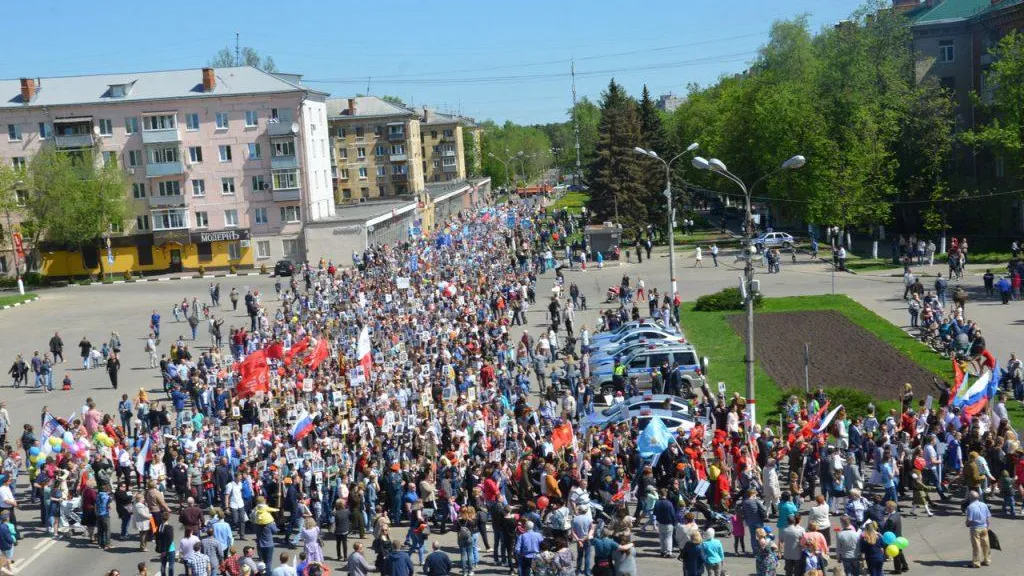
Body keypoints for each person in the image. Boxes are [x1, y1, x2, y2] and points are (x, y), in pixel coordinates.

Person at [965, 490, 992, 568]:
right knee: (986, 545)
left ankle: (976, 563)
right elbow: (988, 517)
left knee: (976, 546)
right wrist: (988, 526)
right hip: (984, 527)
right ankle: (987, 560)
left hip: (975, 528)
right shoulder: (984, 505)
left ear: (970, 497)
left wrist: (966, 523)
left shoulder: (970, 507)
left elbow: (969, 520)